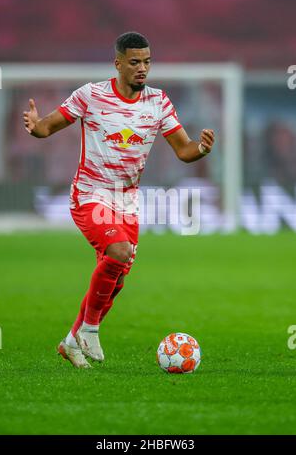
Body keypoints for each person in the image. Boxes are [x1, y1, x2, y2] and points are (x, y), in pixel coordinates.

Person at [23, 32, 215, 369]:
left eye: (147, 61)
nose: (143, 68)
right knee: (119, 252)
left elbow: (183, 149)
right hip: (90, 195)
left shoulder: (158, 102)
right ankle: (91, 329)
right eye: (135, 62)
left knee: (117, 277)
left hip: (127, 202)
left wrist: (200, 148)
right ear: (118, 64)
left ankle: (71, 341)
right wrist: (34, 126)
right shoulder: (91, 96)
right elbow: (47, 127)